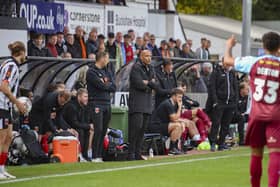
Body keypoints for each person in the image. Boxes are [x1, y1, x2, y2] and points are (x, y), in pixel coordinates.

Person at [223, 32, 280, 187]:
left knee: (256, 154)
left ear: (263, 46)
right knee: (276, 153)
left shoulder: (253, 62)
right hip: (276, 115)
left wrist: (229, 46)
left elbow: (227, 61)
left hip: (257, 115)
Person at [0, 41, 27, 179]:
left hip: (7, 106)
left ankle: (2, 169)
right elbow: (4, 86)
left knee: (9, 137)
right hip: (1, 105)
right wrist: (17, 102)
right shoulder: (11, 65)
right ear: (22, 52)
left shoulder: (11, 64)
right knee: (2, 138)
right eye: (25, 52)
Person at [86, 51, 116, 162]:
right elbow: (101, 86)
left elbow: (113, 86)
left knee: (104, 131)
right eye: (107, 58)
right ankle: (94, 155)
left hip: (107, 103)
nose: (108, 61)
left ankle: (99, 155)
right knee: (97, 129)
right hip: (96, 103)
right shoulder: (91, 72)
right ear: (102, 58)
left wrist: (106, 85)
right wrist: (106, 85)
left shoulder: (106, 71)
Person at [128, 50, 157, 160]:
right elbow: (139, 84)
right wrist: (149, 83)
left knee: (142, 130)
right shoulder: (136, 68)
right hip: (137, 103)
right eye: (146, 56)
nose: (149, 58)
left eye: (150, 56)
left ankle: (137, 153)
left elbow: (154, 83)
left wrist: (147, 82)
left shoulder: (151, 68)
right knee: (135, 128)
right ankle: (130, 153)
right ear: (141, 56)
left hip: (147, 103)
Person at [207, 59, 238, 152]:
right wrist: (215, 101)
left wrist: (235, 100)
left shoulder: (232, 73)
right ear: (223, 63)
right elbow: (212, 88)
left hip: (230, 103)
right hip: (220, 102)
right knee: (216, 123)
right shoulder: (216, 72)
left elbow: (235, 87)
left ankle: (221, 143)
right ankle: (212, 143)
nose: (228, 66)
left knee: (226, 124)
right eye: (227, 64)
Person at [62, 88, 93, 160]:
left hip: (77, 126)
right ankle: (79, 154)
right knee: (81, 131)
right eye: (85, 97)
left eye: (87, 97)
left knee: (87, 131)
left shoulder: (84, 107)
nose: (87, 99)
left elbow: (86, 120)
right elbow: (74, 123)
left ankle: (85, 154)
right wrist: (88, 126)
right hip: (67, 127)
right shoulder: (72, 106)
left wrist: (90, 125)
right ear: (79, 97)